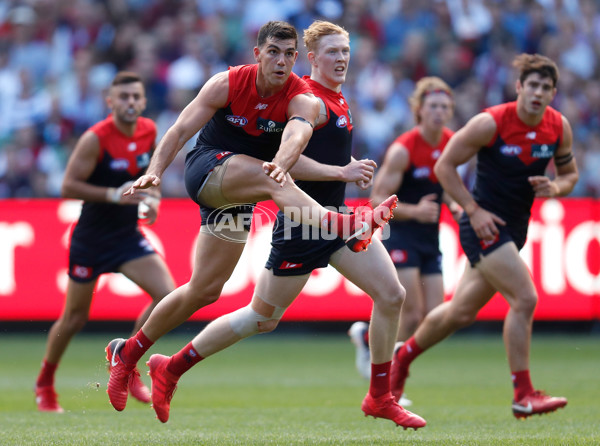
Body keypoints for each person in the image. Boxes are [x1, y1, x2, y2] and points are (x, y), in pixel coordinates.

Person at [139, 20, 426, 430]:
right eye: (332, 52)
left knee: (392, 294)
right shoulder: (309, 99)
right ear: (311, 58)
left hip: (336, 220)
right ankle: (172, 366)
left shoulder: (336, 99)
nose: (341, 59)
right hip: (302, 227)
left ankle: (380, 396)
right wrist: (340, 172)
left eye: (345, 51)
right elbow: (284, 155)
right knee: (261, 318)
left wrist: (340, 174)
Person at [391, 53, 578, 419]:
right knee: (525, 298)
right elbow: (444, 166)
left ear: (553, 93)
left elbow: (570, 174)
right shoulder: (490, 123)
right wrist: (472, 211)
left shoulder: (558, 127)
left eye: (545, 87)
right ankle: (523, 394)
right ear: (519, 88)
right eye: (532, 85)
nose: (538, 93)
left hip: (514, 229)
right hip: (483, 226)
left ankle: (402, 355)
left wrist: (555, 187)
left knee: (460, 313)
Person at [34, 71, 176, 412]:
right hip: (92, 238)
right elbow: (68, 186)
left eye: (135, 97)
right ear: (110, 102)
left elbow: (151, 176)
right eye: (123, 97)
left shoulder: (148, 131)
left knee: (168, 295)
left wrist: (153, 198)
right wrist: (113, 194)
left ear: (143, 101)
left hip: (127, 235)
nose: (130, 103)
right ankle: (45, 383)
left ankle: (127, 362)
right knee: (74, 319)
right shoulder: (95, 138)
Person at [348, 77, 461, 408]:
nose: (439, 112)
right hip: (403, 233)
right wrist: (415, 210)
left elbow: (452, 187)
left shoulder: (453, 144)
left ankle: (368, 341)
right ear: (419, 110)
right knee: (410, 312)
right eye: (433, 106)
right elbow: (376, 199)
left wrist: (457, 205)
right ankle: (387, 384)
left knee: (436, 316)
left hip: (429, 237)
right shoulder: (404, 148)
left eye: (445, 107)